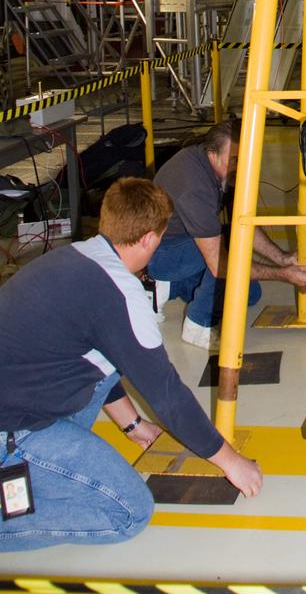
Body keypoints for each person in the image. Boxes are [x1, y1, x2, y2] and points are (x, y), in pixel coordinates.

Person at [0, 178, 262, 552]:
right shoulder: (120, 291)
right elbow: (168, 395)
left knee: (107, 355)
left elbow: (102, 360)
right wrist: (231, 462)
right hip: (14, 431)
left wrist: (133, 424)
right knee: (130, 512)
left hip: (21, 397)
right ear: (150, 240)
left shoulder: (74, 256)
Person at [149, 119, 306, 348]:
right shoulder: (194, 186)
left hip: (181, 245)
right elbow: (220, 264)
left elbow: (242, 223)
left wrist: (283, 258)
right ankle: (198, 324)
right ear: (212, 153)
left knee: (249, 293)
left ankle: (166, 287)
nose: (240, 165)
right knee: (226, 258)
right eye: (235, 159)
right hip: (161, 254)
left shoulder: (217, 169)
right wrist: (284, 274)